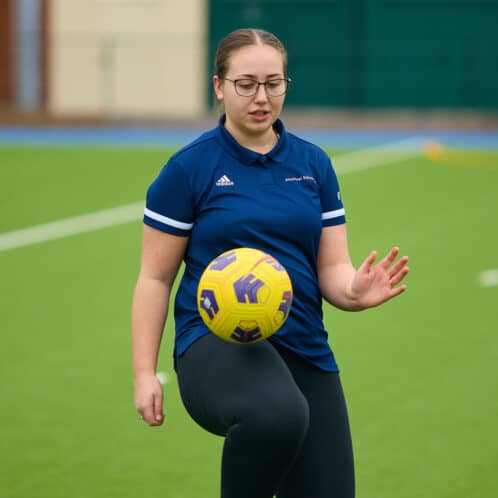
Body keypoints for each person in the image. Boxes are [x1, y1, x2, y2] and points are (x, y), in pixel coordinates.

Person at [132, 28, 409, 498]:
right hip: (215, 346)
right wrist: (144, 373)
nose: (261, 97)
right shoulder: (188, 169)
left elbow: (332, 269)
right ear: (219, 86)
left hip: (302, 343)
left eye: (273, 82)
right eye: (246, 84)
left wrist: (355, 292)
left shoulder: (313, 164)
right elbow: (155, 278)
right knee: (277, 413)